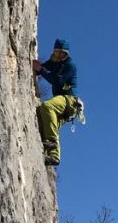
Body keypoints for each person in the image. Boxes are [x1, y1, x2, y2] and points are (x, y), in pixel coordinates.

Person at [33, 38, 82, 166]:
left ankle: (51, 143)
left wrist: (41, 70)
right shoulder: (54, 62)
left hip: (69, 100)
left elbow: (57, 81)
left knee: (47, 107)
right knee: (46, 125)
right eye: (57, 52)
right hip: (64, 105)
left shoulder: (69, 65)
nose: (59, 55)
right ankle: (54, 156)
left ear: (67, 54)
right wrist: (39, 68)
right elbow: (44, 67)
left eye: (62, 52)